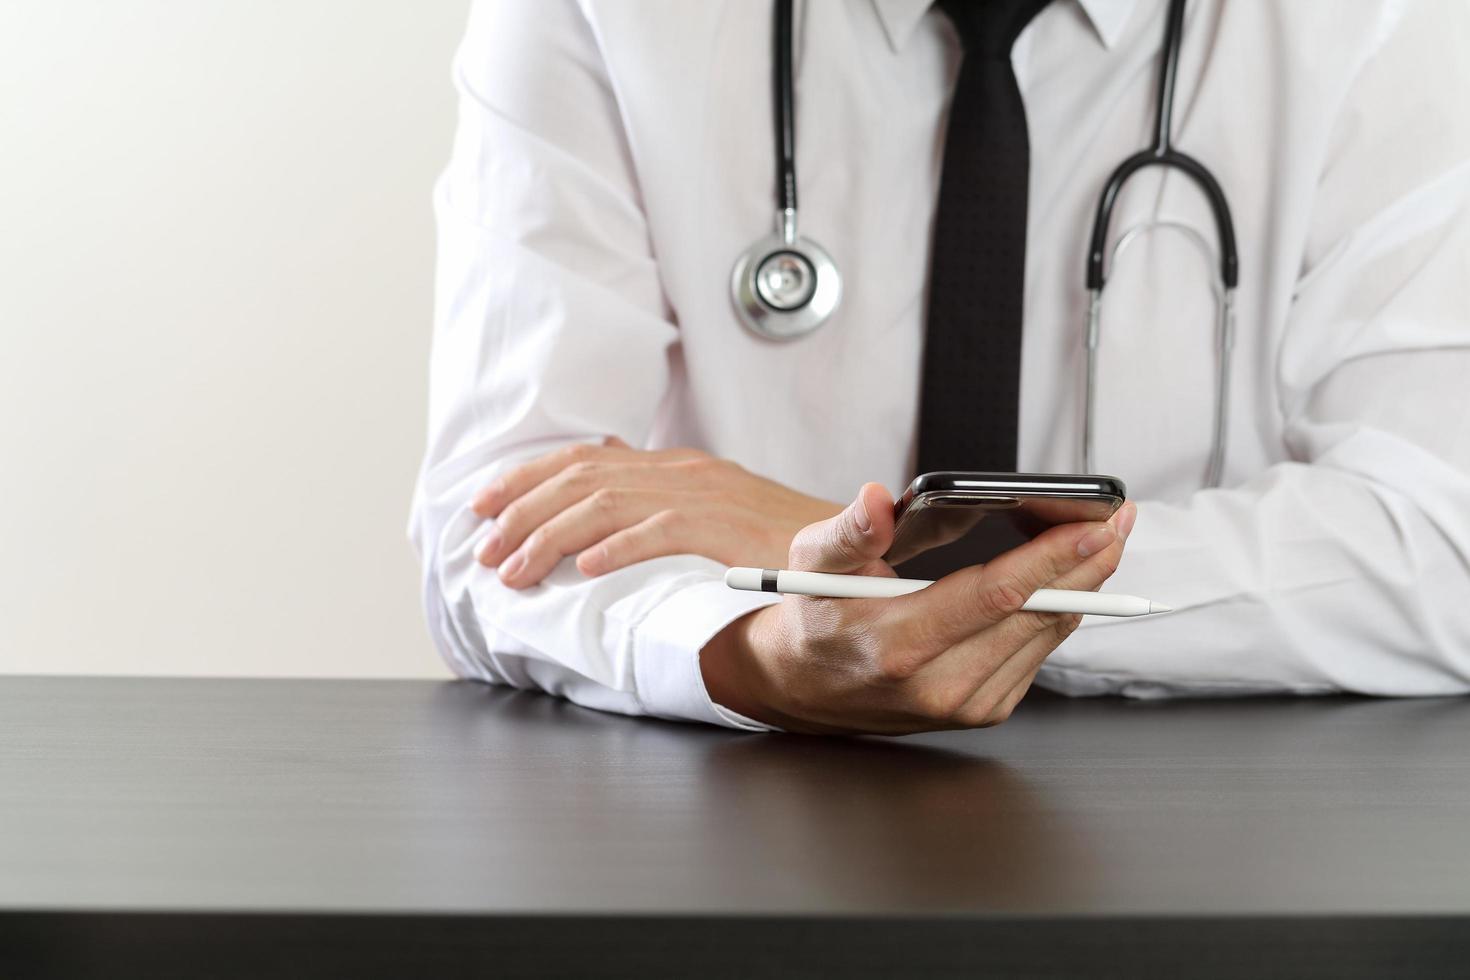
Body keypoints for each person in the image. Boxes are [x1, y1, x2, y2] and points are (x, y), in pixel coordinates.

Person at [409, 0, 1470, 734]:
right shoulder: (597, 13)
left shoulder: (1383, 22)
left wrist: (851, 554)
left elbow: (1445, 544)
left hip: (1209, 851)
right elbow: (494, 523)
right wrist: (750, 649)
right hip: (743, 831)